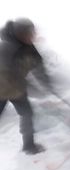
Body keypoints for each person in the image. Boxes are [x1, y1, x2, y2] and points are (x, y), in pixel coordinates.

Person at [0, 18, 51, 154]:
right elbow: (9, 73)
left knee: (27, 114)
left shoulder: (29, 48)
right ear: (20, 33)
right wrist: (34, 89)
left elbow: (39, 67)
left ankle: (29, 146)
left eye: (32, 32)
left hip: (17, 91)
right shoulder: (6, 48)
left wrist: (47, 84)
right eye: (29, 33)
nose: (32, 35)